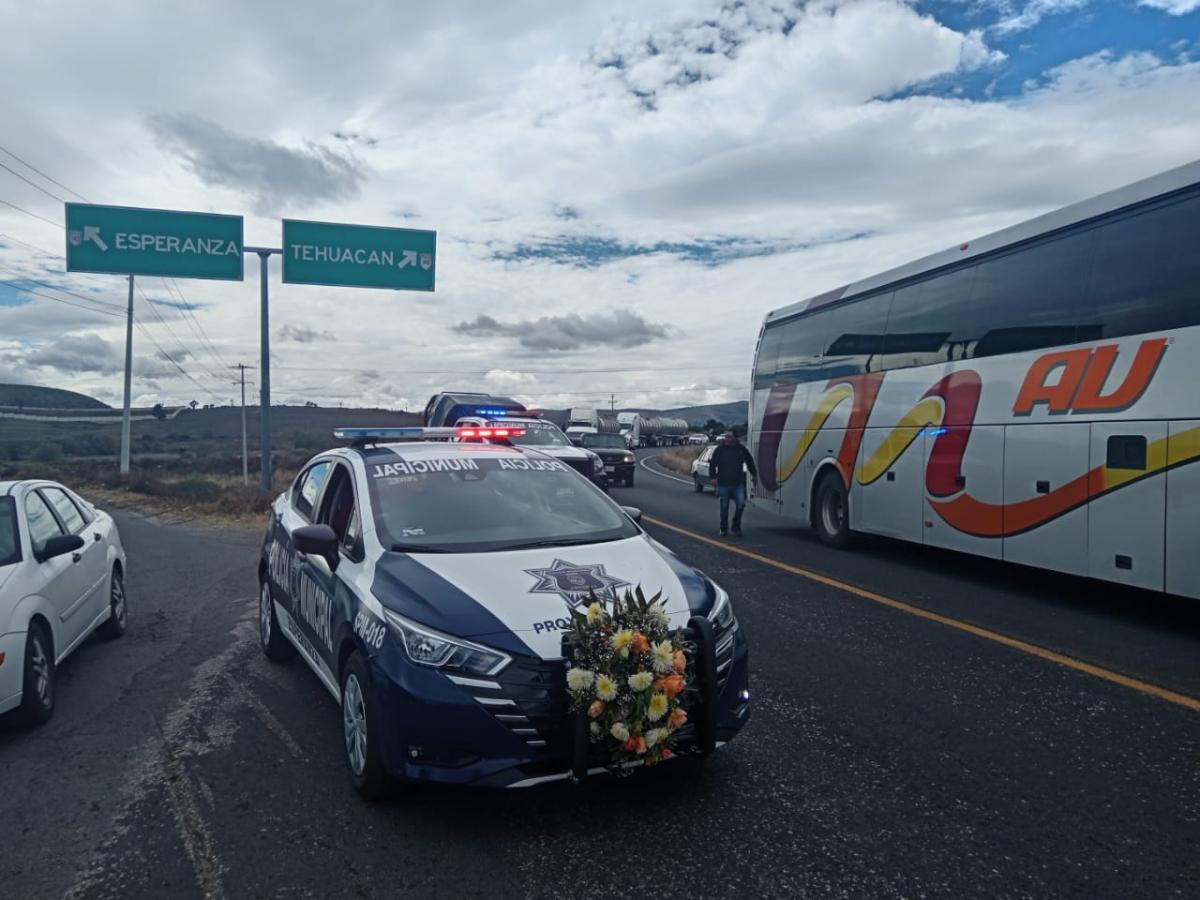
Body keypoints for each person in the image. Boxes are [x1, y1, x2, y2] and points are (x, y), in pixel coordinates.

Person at [709, 430, 758, 537]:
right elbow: (712, 464)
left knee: (741, 504)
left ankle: (736, 526)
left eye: (729, 437)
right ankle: (723, 528)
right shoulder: (720, 450)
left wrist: (754, 474)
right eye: (726, 437)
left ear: (735, 438)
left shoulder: (741, 449)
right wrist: (713, 477)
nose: (726, 439)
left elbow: (749, 461)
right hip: (723, 483)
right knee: (724, 507)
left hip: (737, 483)